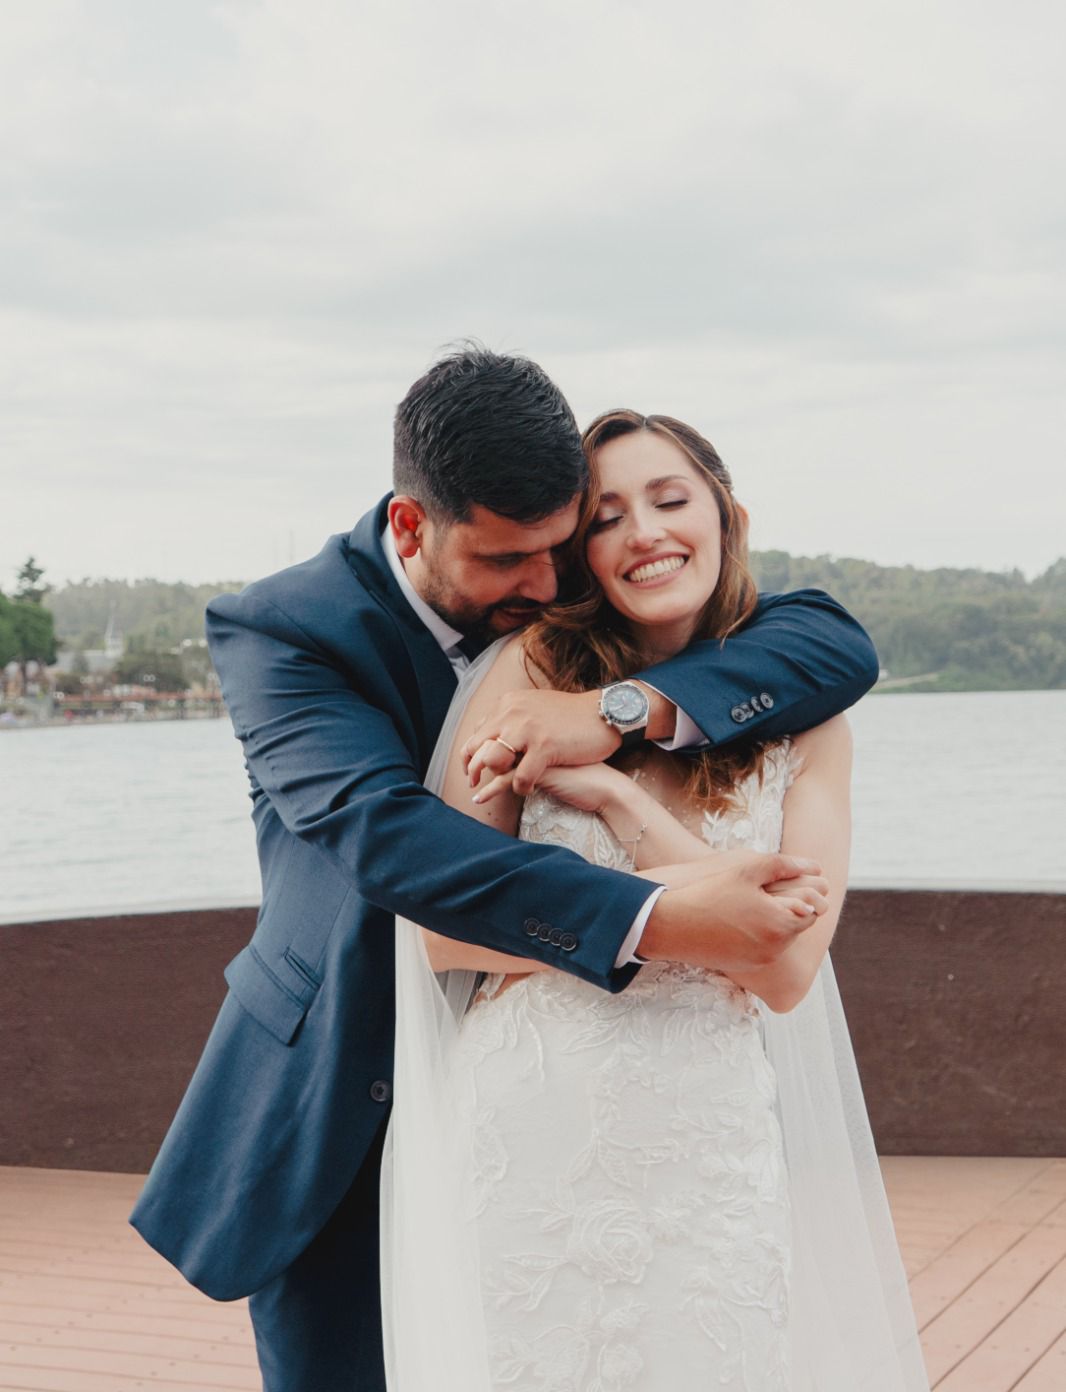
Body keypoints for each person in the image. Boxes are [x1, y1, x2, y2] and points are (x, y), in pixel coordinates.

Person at [131, 348, 879, 1392]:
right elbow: (395, 844)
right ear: (411, 527)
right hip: (345, 1088)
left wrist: (616, 712)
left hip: (616, 1121)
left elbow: (834, 645)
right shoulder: (286, 632)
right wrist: (665, 917)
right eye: (507, 561)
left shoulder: (573, 584)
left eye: (561, 548)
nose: (545, 583)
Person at [382, 410, 928, 1391]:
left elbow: (786, 971)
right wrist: (684, 906)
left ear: (727, 517)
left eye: (671, 500)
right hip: (529, 1131)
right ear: (579, 553)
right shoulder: (529, 673)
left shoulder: (809, 721)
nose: (644, 533)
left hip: (704, 1147)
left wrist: (619, 799)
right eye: (607, 517)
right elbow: (440, 932)